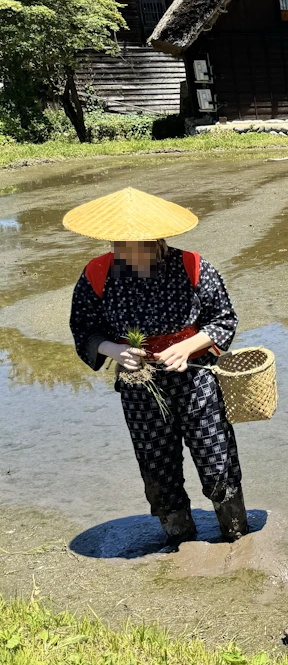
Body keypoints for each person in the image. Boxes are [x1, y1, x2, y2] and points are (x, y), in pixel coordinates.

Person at [66, 188, 248, 544]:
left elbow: (223, 320)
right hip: (139, 384)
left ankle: (237, 536)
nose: (122, 251)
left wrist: (187, 347)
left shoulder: (194, 267)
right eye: (118, 243)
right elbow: (84, 328)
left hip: (196, 380)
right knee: (157, 466)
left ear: (155, 241)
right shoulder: (97, 273)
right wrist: (113, 349)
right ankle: (178, 538)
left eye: (132, 244)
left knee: (216, 459)